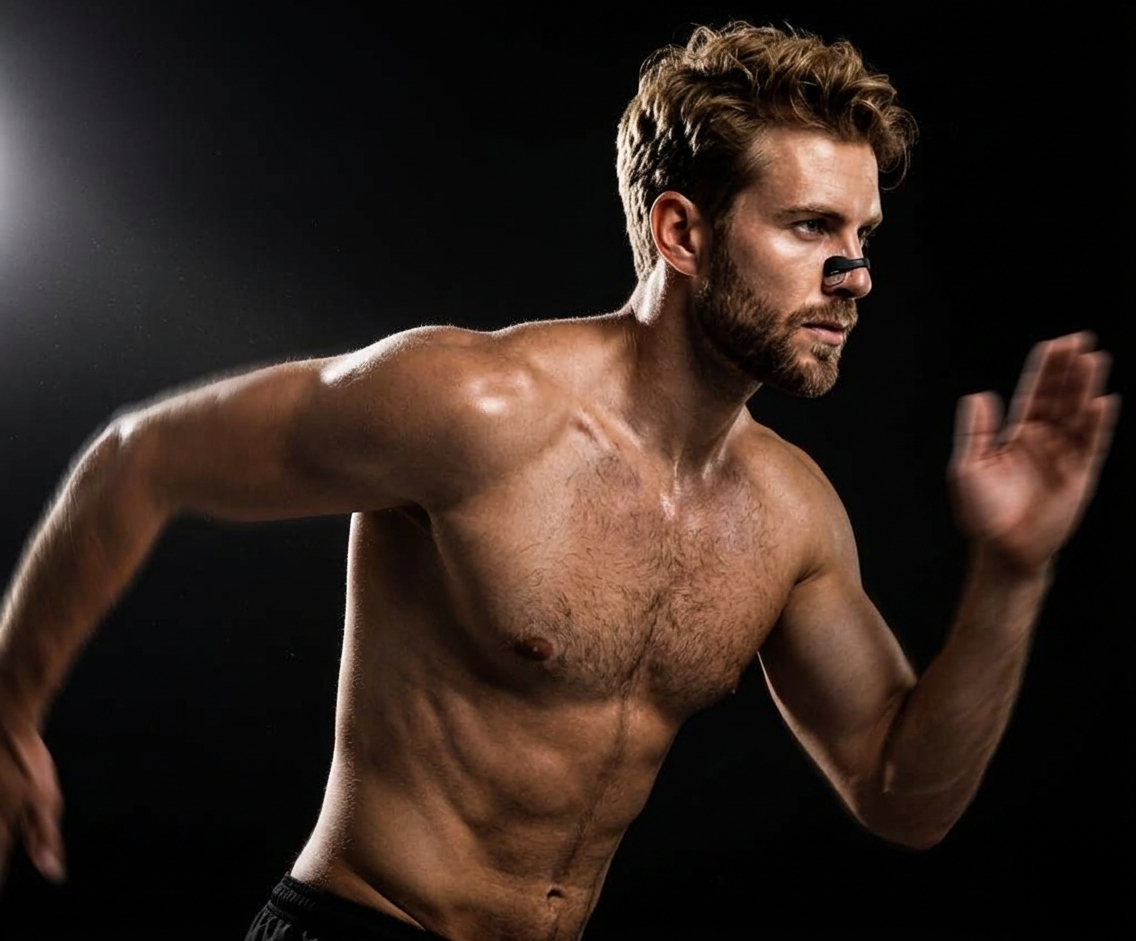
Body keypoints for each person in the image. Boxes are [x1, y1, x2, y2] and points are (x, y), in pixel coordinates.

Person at [0, 22, 1118, 941]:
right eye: (808, 225)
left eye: (862, 231)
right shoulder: (472, 405)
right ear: (680, 231)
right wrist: (10, 703)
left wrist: (1012, 572)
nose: (855, 272)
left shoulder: (790, 514)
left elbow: (899, 794)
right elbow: (142, 456)